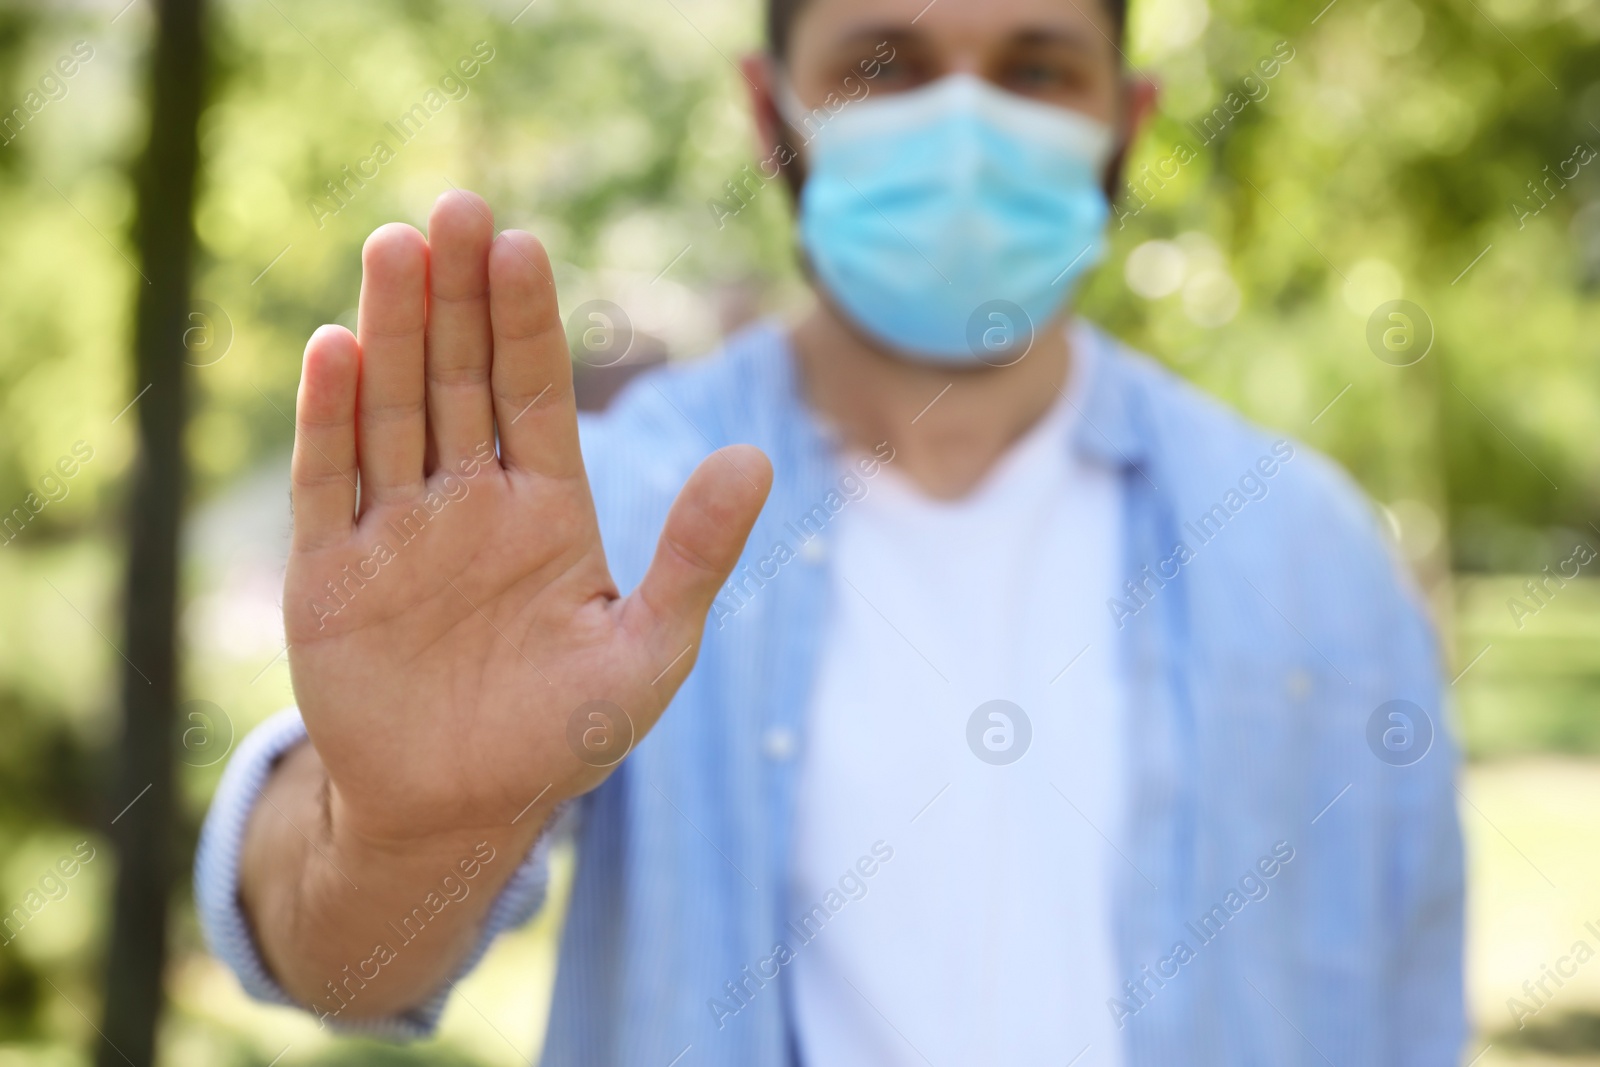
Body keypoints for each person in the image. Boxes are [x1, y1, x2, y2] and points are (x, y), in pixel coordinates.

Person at [195, 0, 1465, 1062]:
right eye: (884, 67)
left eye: (1034, 69)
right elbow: (332, 961)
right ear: (769, 116)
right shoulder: (609, 516)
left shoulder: (1308, 553)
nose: (964, 130)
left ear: (1122, 122)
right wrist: (399, 834)